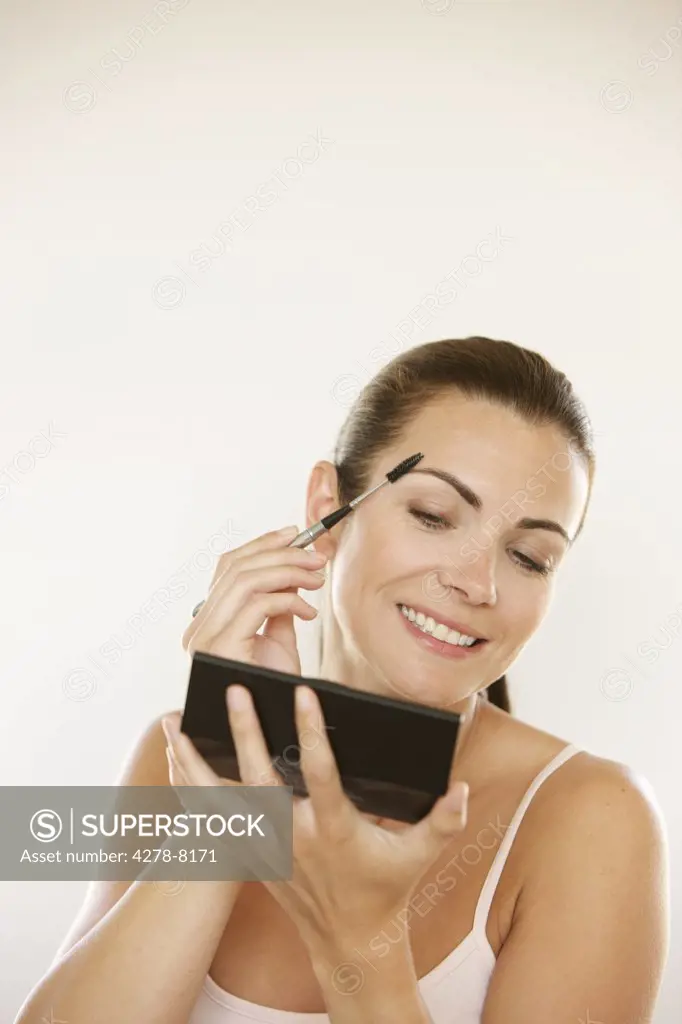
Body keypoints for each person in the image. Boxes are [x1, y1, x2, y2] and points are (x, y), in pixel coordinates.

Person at [16, 336, 669, 1024]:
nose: (476, 582)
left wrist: (359, 943)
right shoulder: (179, 759)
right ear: (327, 510)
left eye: (530, 556)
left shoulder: (589, 818)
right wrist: (235, 811)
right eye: (433, 516)